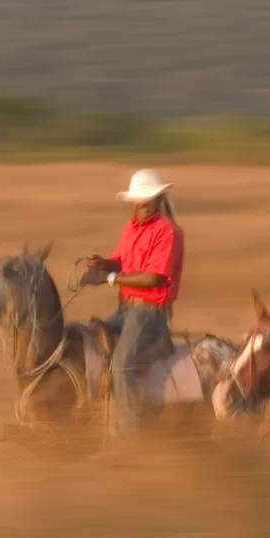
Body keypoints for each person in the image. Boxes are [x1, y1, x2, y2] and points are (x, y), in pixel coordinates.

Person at [82, 169, 185, 436]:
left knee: (121, 363)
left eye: (146, 199)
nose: (140, 204)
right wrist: (103, 263)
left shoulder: (167, 232)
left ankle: (131, 438)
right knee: (89, 341)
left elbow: (153, 279)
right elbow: (120, 260)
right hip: (125, 309)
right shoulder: (131, 228)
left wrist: (109, 278)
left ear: (159, 199)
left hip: (150, 314)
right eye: (137, 200)